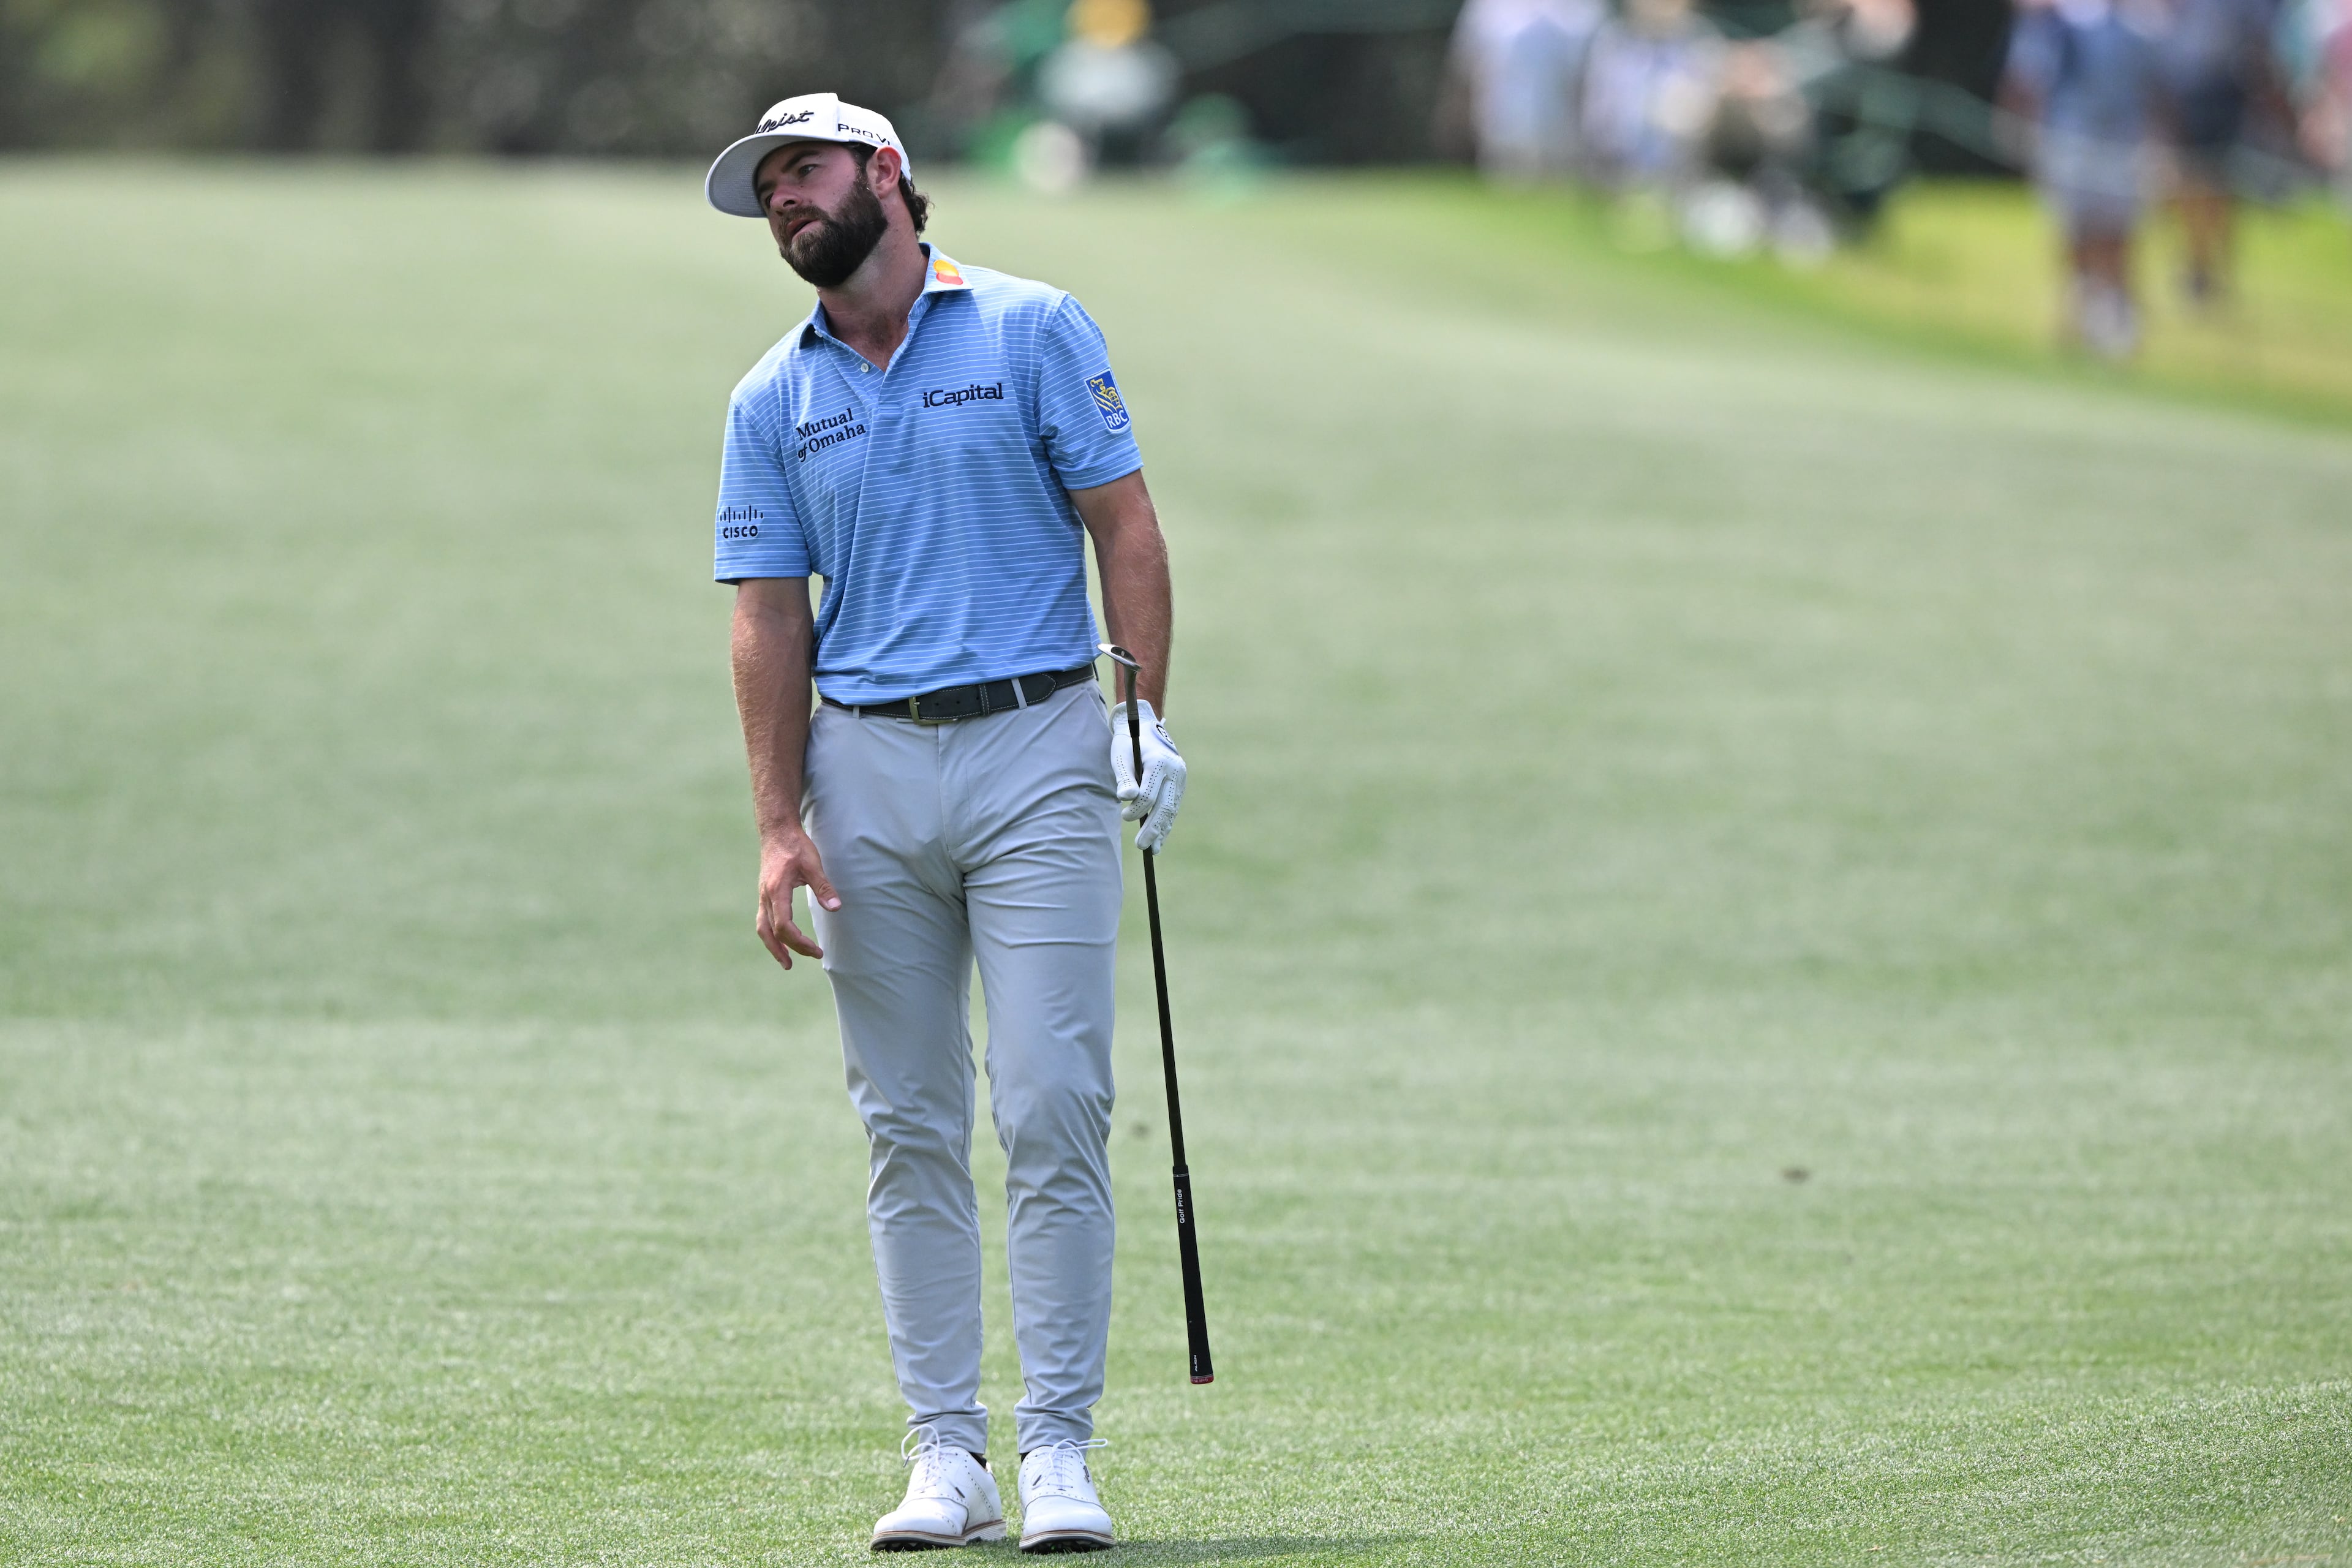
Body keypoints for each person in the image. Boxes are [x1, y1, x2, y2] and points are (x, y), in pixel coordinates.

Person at [701, 91, 1185, 1555]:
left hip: (1040, 743)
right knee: (906, 1122)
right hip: (866, 769)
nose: (787, 202)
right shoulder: (768, 395)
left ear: (888, 175)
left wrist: (1137, 715)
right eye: (769, 189)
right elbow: (766, 617)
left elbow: (1126, 527)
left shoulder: (1033, 327)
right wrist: (779, 821)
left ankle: (1055, 1449)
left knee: (1051, 1100)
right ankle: (945, 1452)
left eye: (805, 173)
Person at [2002, 0, 2169, 358]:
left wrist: (2160, 143)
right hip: (2071, 138)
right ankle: (2080, 317)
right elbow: (2031, 76)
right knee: (2076, 232)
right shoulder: (2062, 21)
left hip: (2123, 143)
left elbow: (2155, 92)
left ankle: (2117, 322)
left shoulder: (2144, 26)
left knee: (2117, 236)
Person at [2162, 0, 2284, 303]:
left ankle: (2217, 269)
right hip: (2185, 89)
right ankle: (2197, 262)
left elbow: (2259, 41)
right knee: (2188, 179)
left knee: (2223, 183)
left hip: (2227, 92)